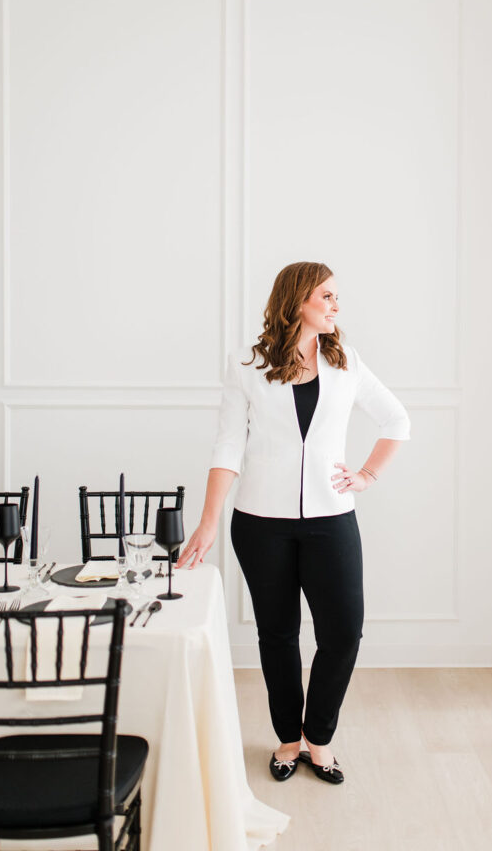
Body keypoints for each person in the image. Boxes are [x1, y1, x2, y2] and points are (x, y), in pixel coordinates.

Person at [176, 261, 410, 784]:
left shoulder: (346, 360)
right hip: (261, 523)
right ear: (298, 299)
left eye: (335, 296)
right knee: (277, 635)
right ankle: (287, 739)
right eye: (326, 295)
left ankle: (318, 738)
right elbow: (228, 444)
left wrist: (367, 475)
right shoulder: (247, 364)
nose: (335, 305)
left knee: (343, 631)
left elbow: (397, 419)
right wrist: (208, 521)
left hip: (332, 519)